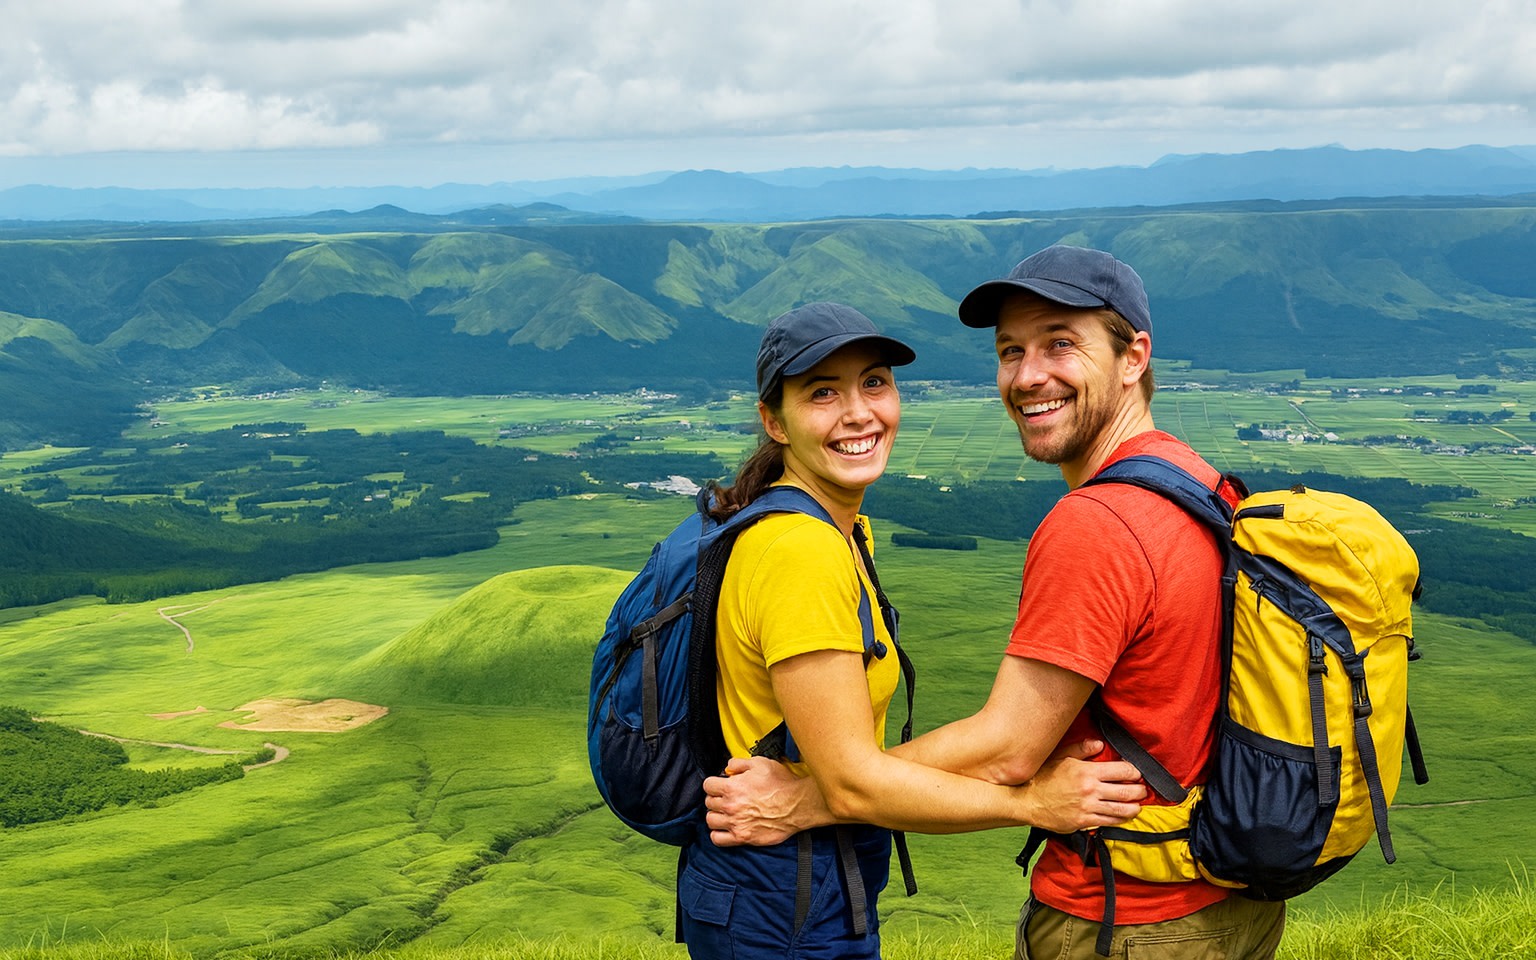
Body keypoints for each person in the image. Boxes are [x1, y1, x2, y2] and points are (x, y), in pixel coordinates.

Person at [703, 249, 1287, 959]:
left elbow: (1011, 749)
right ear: (774, 421)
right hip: (1224, 899)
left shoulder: (1096, 524)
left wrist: (808, 799)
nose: (1027, 374)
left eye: (1059, 344)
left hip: (1127, 921)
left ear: (1134, 357)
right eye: (1011, 351)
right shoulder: (1195, 479)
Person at [680, 300, 1147, 960]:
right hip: (780, 899)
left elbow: (842, 782)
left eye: (874, 382)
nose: (859, 413)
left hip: (803, 885)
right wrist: (1034, 804)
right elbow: (851, 785)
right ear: (773, 422)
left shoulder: (836, 530)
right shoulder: (799, 553)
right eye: (822, 393)